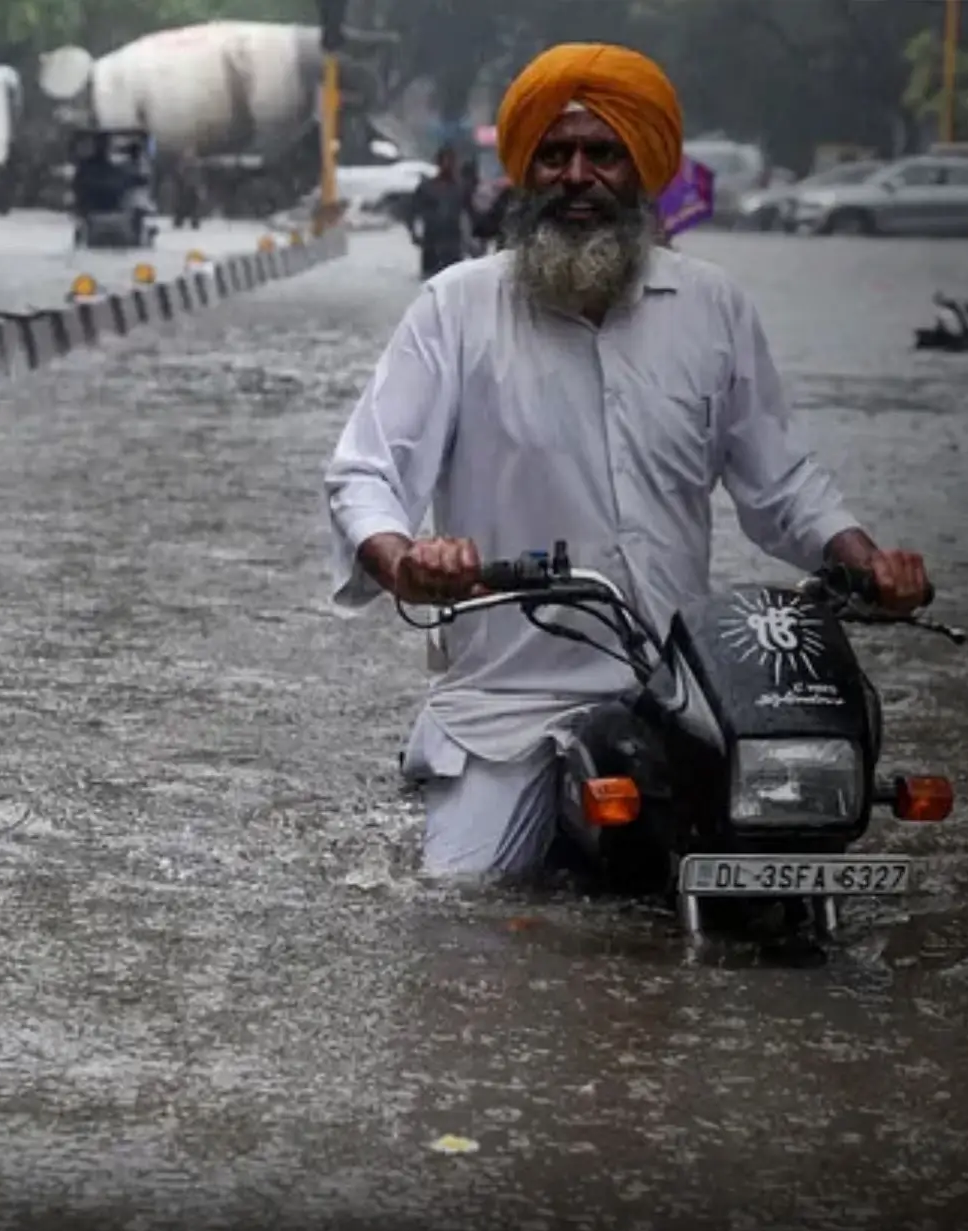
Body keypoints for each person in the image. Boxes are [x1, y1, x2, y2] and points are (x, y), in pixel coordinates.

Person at [323, 41, 931, 882]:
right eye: (555, 153)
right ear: (523, 171)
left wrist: (866, 560)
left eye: (602, 153)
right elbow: (366, 472)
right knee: (461, 901)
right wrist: (407, 560)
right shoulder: (455, 308)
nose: (578, 175)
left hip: (687, 693)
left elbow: (780, 480)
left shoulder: (712, 307)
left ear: (641, 168)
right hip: (510, 704)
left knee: (794, 860)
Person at [405, 146, 472, 279]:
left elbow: (470, 214)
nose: (449, 165)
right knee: (431, 280)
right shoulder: (426, 187)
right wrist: (413, 233)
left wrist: (473, 240)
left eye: (451, 161)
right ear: (438, 163)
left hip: (453, 242)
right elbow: (411, 212)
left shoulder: (461, 188)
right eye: (445, 161)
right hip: (431, 241)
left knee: (454, 279)